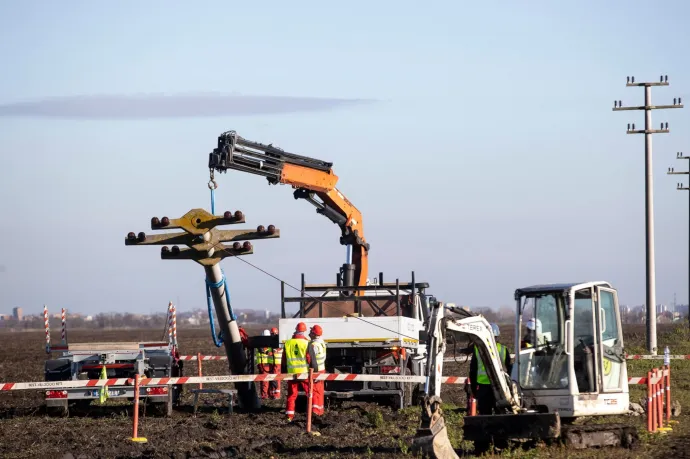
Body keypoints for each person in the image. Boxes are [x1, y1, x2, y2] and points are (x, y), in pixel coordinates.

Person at [469, 323, 512, 415]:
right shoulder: (503, 350)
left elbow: (472, 371)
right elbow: (510, 369)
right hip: (500, 387)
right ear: (497, 336)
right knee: (500, 414)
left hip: (483, 388)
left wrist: (474, 390)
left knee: (484, 415)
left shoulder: (477, 349)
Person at [282, 322, 310, 422]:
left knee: (292, 395)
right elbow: (309, 358)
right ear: (304, 331)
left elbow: (284, 359)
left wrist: (284, 372)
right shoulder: (307, 343)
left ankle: (289, 416)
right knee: (310, 393)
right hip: (304, 373)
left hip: (292, 373)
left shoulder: (288, 343)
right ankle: (311, 415)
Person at [307, 324, 327, 416]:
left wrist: (314, 371)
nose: (309, 333)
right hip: (322, 368)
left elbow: (313, 359)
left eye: (311, 332)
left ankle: (315, 411)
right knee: (320, 391)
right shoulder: (321, 342)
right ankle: (320, 410)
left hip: (316, 370)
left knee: (314, 390)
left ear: (314, 334)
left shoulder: (313, 345)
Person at [255, 329, 273, 400]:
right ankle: (264, 395)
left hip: (265, 363)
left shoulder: (264, 343)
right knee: (265, 380)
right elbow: (262, 350)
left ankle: (266, 393)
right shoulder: (261, 343)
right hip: (263, 363)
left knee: (265, 379)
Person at [269, 327, 282, 400]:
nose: (272, 335)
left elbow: (278, 349)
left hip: (277, 363)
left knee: (276, 379)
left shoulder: (278, 342)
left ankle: (277, 394)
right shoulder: (273, 341)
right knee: (273, 379)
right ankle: (273, 393)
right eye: (271, 334)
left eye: (273, 334)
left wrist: (272, 352)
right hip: (273, 363)